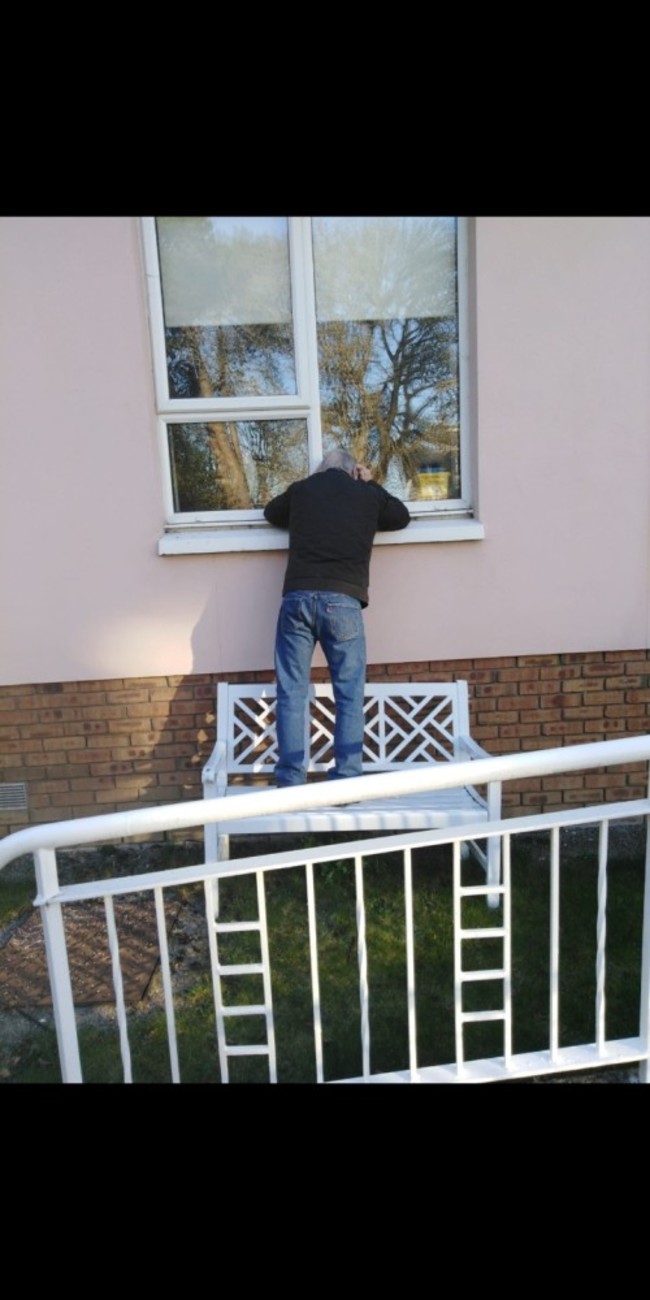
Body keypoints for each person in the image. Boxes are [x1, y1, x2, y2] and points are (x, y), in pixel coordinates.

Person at [263, 449, 411, 788]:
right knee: (348, 694)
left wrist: (308, 483)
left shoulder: (302, 491)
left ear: (321, 469)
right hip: (343, 603)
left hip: (297, 600)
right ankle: (345, 780)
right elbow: (401, 516)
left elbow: (272, 512)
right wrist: (371, 483)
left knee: (291, 692)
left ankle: (289, 781)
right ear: (352, 471)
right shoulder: (367, 495)